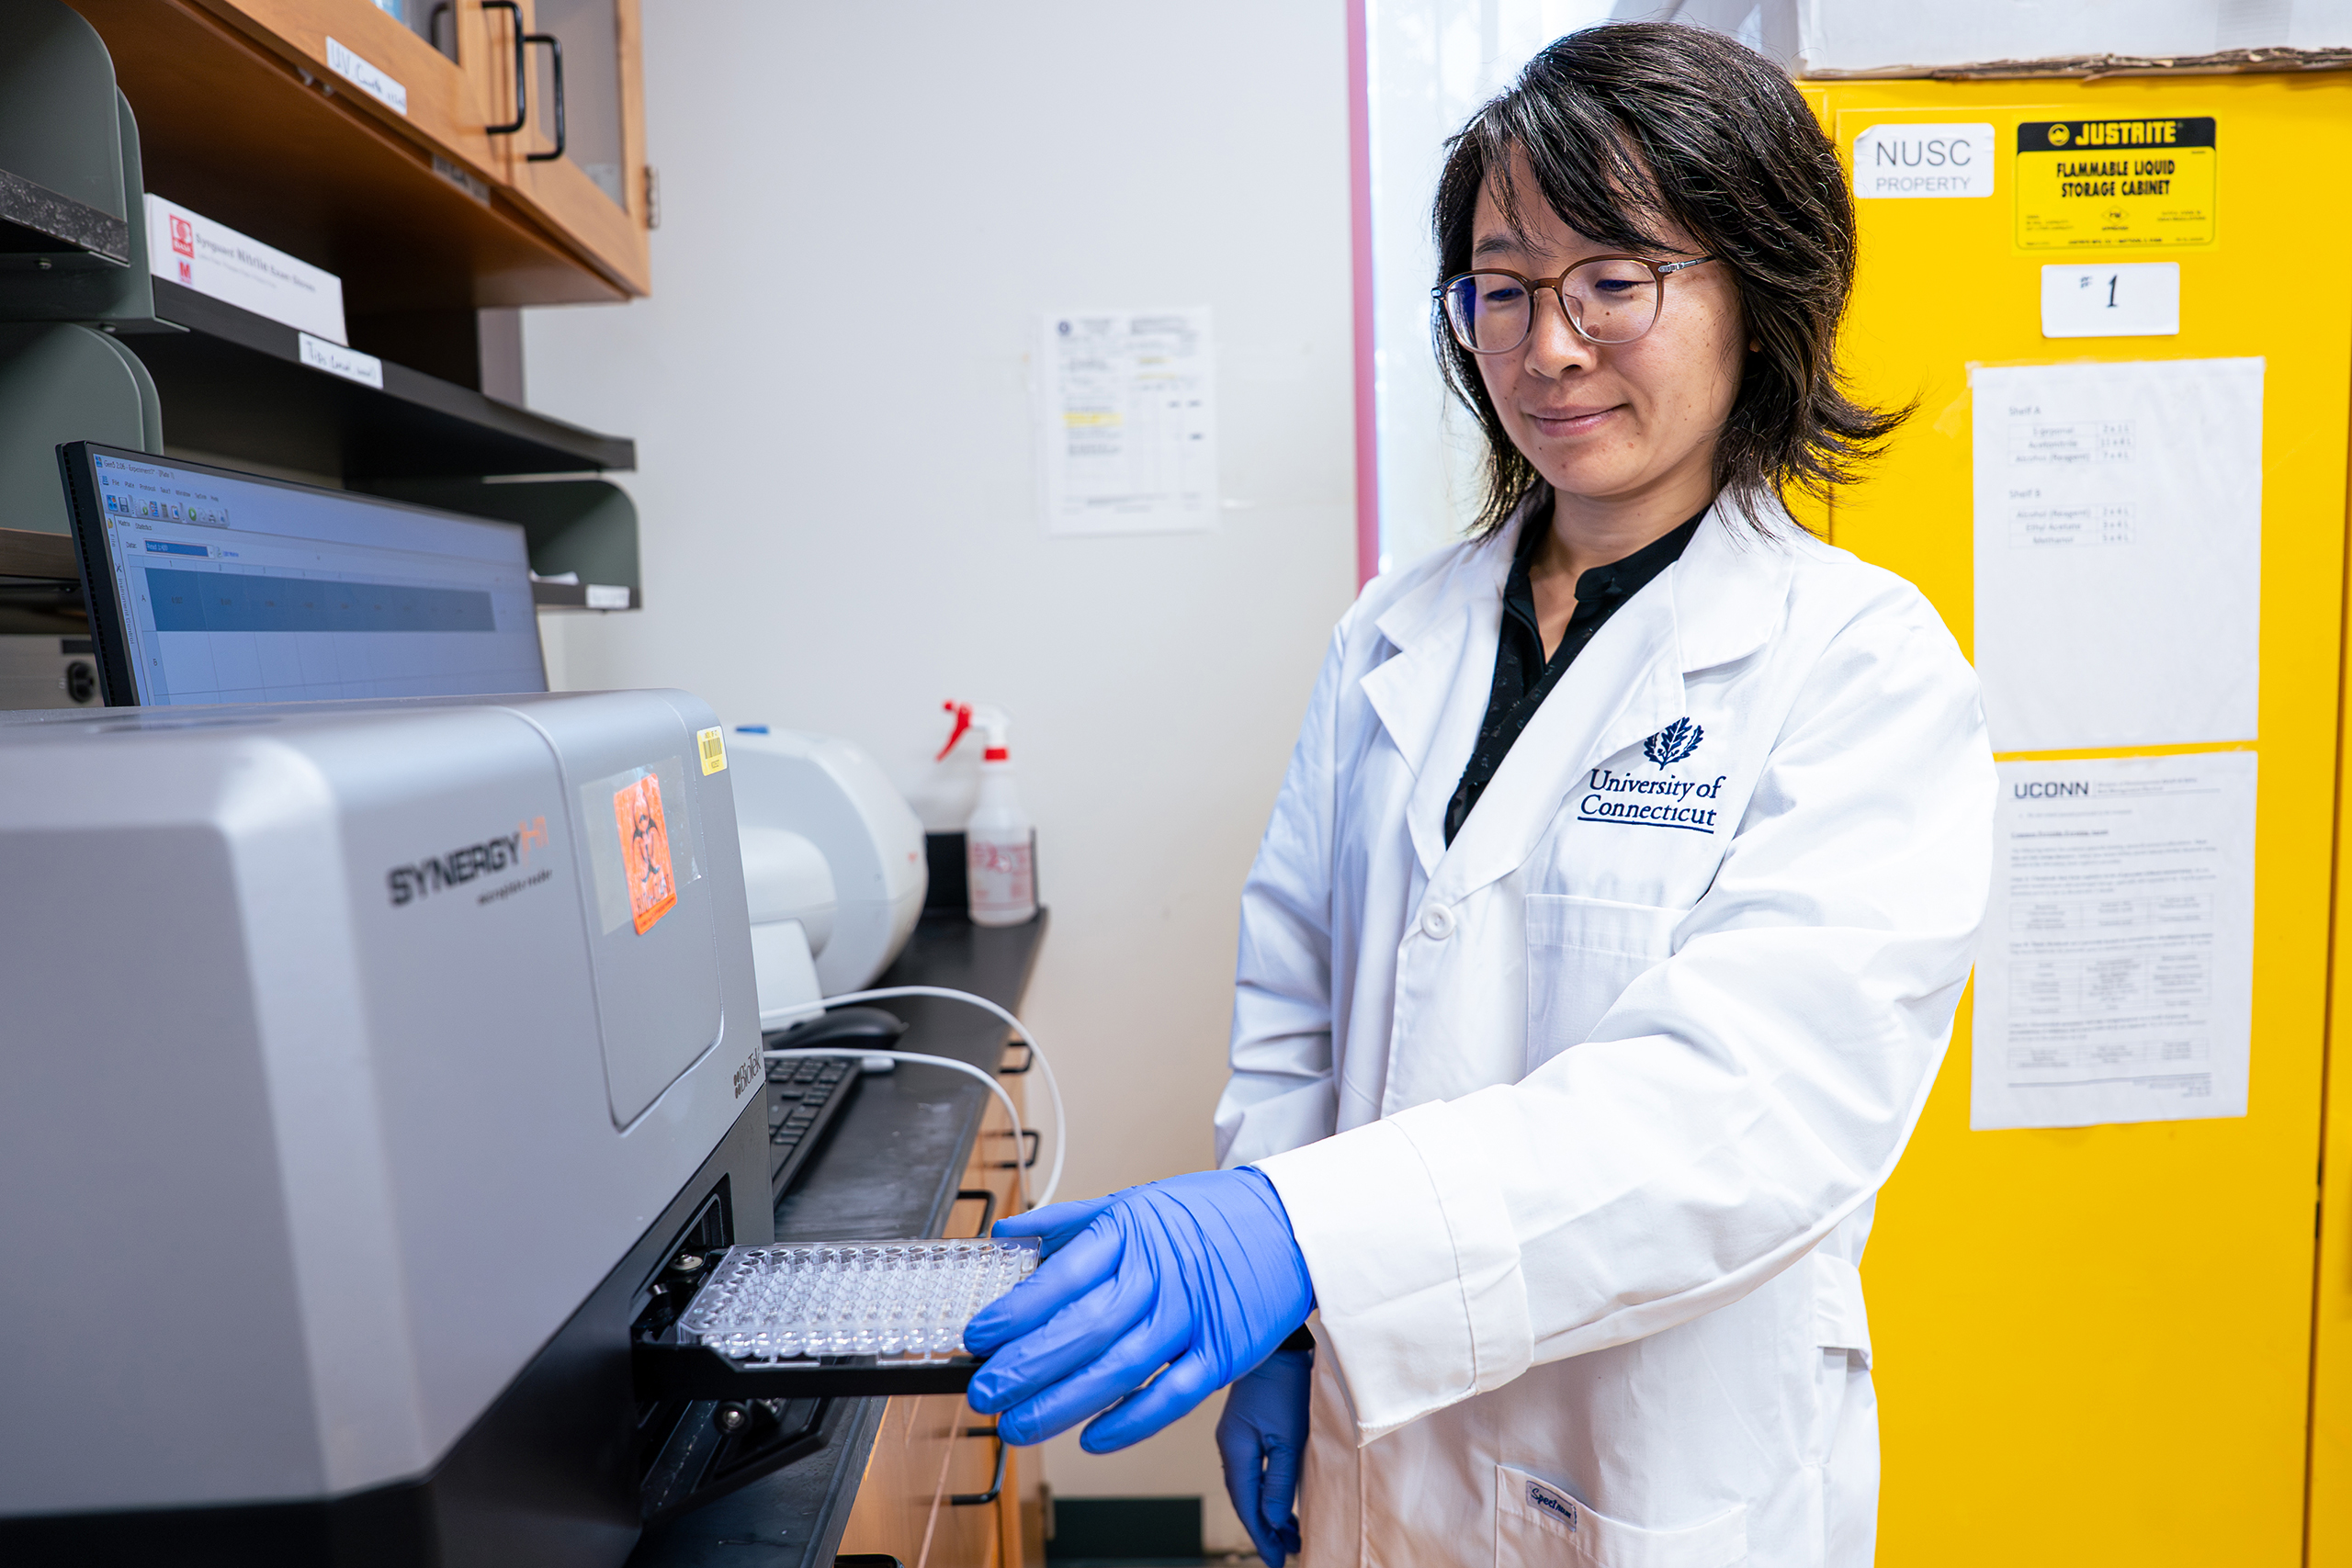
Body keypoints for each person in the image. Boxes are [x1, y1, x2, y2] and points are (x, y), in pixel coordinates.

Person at [965, 22, 1995, 1568]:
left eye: (1613, 280)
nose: (1549, 344)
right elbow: (1296, 998)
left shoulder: (1857, 666)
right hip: (1372, 1455)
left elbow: (1750, 1111)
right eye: (1504, 290)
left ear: (1759, 293)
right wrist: (1284, 1326)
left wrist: (1306, 1240)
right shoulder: (1397, 631)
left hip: (1655, 1471)